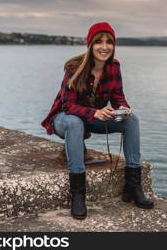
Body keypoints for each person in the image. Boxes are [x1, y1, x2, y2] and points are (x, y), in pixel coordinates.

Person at [41, 22, 154, 220]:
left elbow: (118, 97)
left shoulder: (114, 67)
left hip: (92, 118)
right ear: (90, 45)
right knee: (75, 122)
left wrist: (123, 109)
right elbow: (68, 106)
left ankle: (133, 186)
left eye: (109, 42)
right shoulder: (73, 68)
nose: (104, 46)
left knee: (132, 120)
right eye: (99, 42)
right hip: (63, 120)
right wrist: (94, 113)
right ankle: (78, 194)